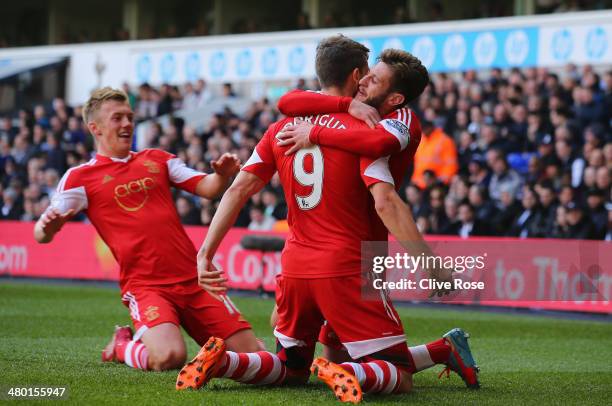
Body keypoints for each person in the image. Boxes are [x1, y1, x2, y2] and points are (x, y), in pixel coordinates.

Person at [183, 37, 478, 401]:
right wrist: (430, 265)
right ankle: (350, 372)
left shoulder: (283, 127)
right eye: (367, 74)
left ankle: (227, 363)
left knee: (293, 367)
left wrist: (205, 253)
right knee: (395, 375)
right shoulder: (367, 129)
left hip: (295, 267)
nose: (368, 81)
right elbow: (386, 202)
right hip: (351, 264)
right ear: (357, 74)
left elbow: (238, 189)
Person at [33, 87, 261, 372]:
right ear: (96, 128)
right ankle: (121, 346)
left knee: (253, 356)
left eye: (129, 116)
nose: (127, 123)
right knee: (169, 357)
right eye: (117, 118)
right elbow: (39, 235)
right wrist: (49, 228)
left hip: (195, 278)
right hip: (147, 287)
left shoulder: (158, 159)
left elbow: (207, 188)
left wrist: (221, 176)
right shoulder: (80, 178)